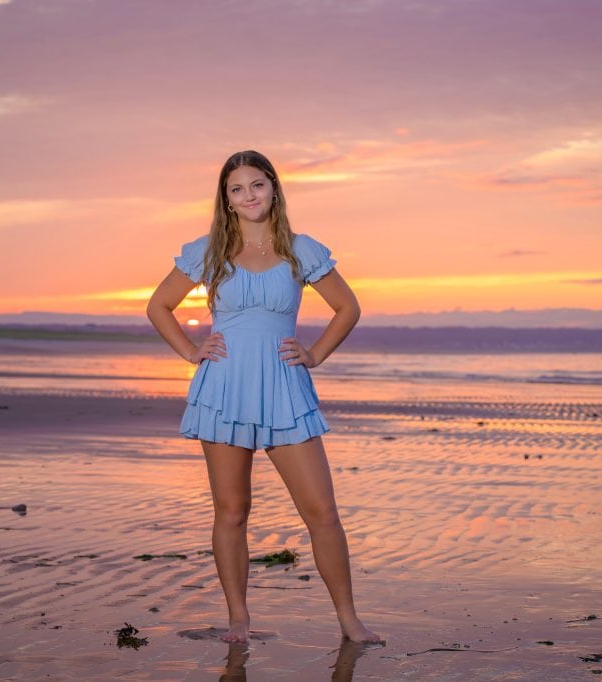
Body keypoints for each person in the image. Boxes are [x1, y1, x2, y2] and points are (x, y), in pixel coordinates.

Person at [146, 150, 381, 645]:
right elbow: (159, 305)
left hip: (283, 390)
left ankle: (349, 621)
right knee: (231, 512)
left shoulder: (301, 249)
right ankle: (238, 619)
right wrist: (191, 350)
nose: (248, 195)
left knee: (322, 512)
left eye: (257, 184)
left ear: (274, 188)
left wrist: (315, 355)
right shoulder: (208, 250)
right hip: (225, 389)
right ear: (226, 200)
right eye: (237, 188)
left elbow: (347, 307)